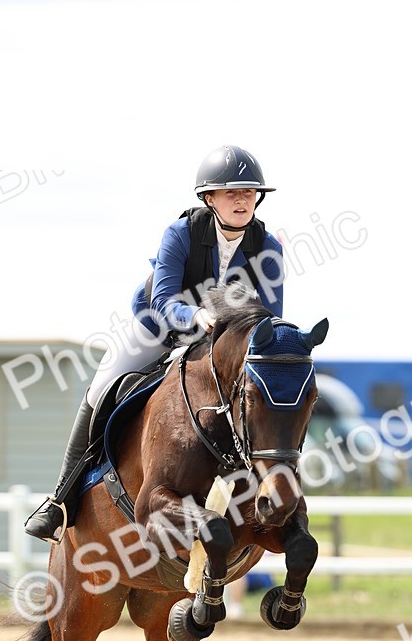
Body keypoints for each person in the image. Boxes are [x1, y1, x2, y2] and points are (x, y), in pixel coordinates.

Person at [25, 145, 285, 542]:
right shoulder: (180, 234)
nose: (242, 199)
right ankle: (62, 499)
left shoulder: (268, 248)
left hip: (220, 345)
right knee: (101, 386)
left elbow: (268, 316)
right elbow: (163, 301)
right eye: (231, 192)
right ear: (208, 198)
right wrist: (195, 316)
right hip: (159, 328)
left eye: (249, 192)